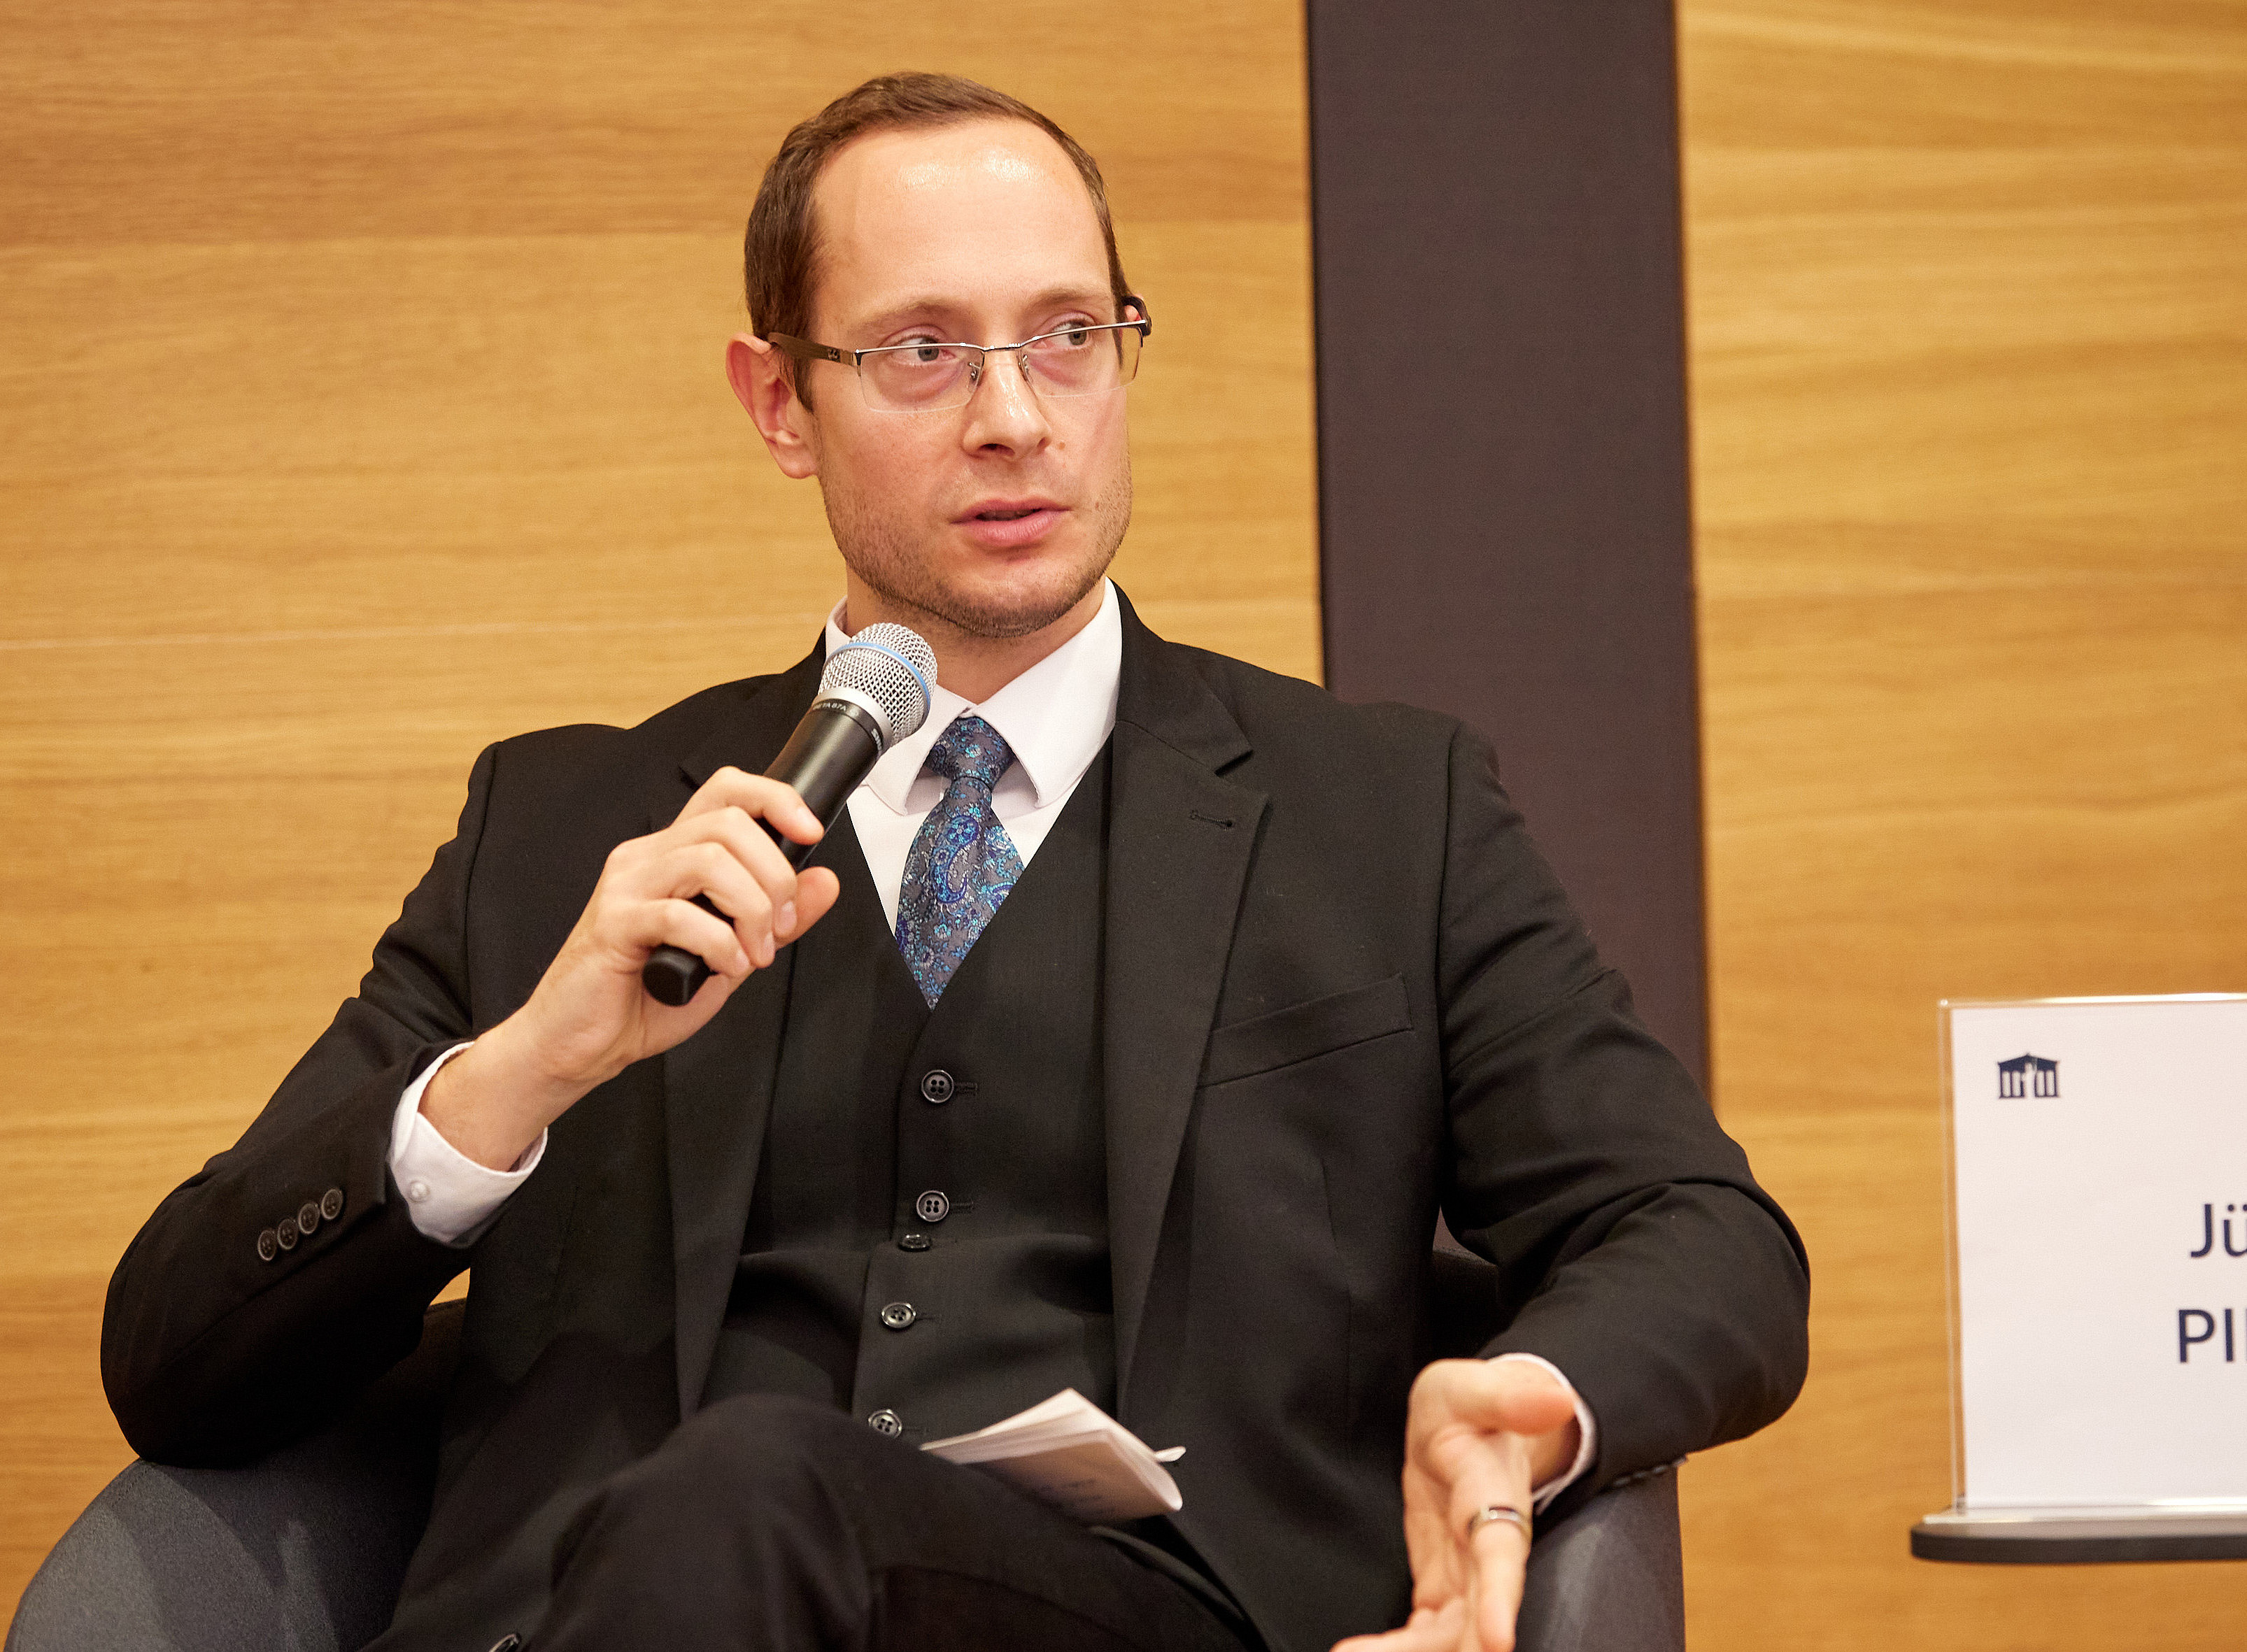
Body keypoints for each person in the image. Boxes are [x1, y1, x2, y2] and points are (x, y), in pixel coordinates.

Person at [101, 73, 1808, 1652]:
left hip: (1131, 1611)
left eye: (1067, 336)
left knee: (762, 1480)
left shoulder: (1380, 810)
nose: (1014, 416)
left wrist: (1535, 1386)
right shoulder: (567, 825)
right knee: (725, 1504)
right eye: (922, 351)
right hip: (596, 1612)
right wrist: (520, 1072)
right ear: (780, 401)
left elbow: (1699, 1228)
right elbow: (176, 1365)